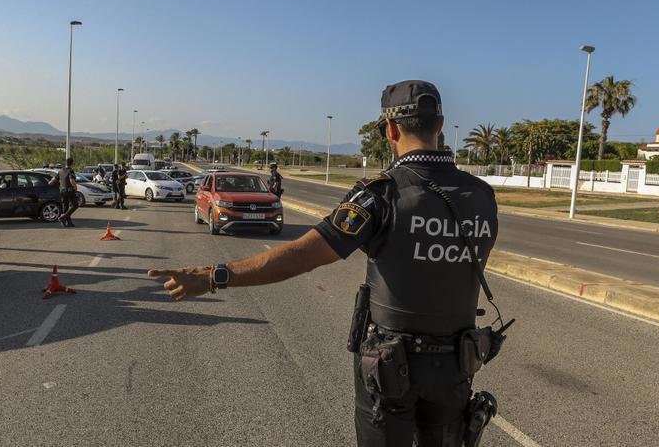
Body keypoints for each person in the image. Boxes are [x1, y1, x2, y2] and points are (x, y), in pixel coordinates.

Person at [148, 81, 502, 446]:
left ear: (391, 130)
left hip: (392, 370)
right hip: (458, 367)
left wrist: (214, 276)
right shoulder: (481, 196)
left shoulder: (382, 195)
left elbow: (303, 255)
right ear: (440, 124)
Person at [51, 157, 79, 227]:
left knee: (65, 206)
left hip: (62, 191)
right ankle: (63, 217)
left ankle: (68, 222)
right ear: (72, 163)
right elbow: (72, 180)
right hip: (69, 190)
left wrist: (50, 183)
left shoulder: (60, 171)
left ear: (66, 163)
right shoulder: (70, 171)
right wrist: (75, 188)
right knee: (75, 205)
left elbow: (53, 180)